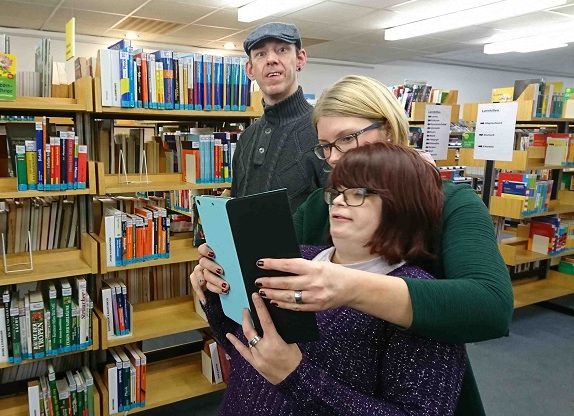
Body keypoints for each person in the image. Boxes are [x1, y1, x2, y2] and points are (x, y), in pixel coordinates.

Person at [194, 75, 513, 416]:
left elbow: (490, 307)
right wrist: (218, 276)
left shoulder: (452, 204)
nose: (333, 159)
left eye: (346, 139)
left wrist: (348, 286)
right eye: (325, 146)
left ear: (389, 129)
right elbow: (269, 278)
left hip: (413, 380)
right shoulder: (322, 203)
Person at [191, 142, 466, 415]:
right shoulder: (296, 257)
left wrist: (296, 376)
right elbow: (247, 354)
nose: (337, 200)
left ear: (405, 204)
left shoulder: (418, 298)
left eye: (357, 192)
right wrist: (214, 294)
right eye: (336, 191)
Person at [230, 22, 325, 213]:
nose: (271, 59)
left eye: (282, 50)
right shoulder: (246, 138)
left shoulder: (323, 132)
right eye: (260, 54)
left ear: (300, 59)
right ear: (250, 70)